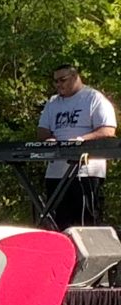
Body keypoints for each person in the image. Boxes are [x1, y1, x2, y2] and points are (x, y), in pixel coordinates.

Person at [36, 64, 117, 229]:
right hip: (56, 172)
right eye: (55, 81)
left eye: (62, 80)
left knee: (85, 223)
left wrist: (80, 140)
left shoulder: (94, 98)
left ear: (75, 77)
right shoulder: (53, 103)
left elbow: (108, 130)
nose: (58, 84)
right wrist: (50, 139)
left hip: (85, 171)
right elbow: (42, 130)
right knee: (58, 224)